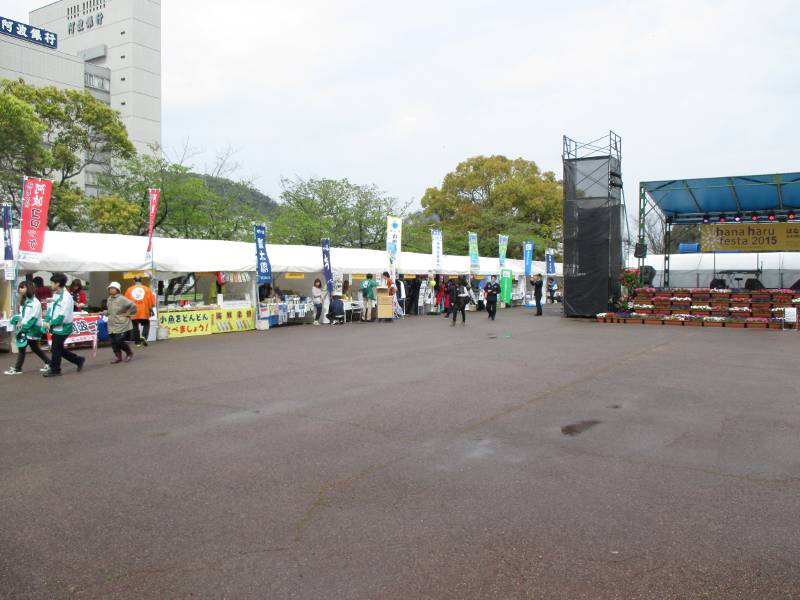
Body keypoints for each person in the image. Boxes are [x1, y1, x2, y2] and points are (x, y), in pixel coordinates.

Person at [42, 272, 85, 377]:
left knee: (55, 348)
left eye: (52, 283)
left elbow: (62, 316)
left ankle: (55, 369)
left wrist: (50, 323)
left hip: (64, 327)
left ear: (57, 283)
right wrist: (47, 320)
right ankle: (78, 360)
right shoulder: (56, 294)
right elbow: (50, 309)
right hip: (56, 326)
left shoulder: (66, 297)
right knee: (57, 348)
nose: (51, 285)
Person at [4, 281, 51, 375]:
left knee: (22, 348)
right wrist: (16, 318)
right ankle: (49, 363)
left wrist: (24, 328)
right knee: (35, 348)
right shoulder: (25, 301)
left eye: (22, 287)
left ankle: (17, 369)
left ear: (28, 288)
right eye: (19, 288)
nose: (20, 289)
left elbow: (33, 318)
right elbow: (23, 315)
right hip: (26, 327)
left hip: (32, 328)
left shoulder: (35, 302)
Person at [106, 281, 137, 364]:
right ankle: (118, 357)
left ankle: (129, 352)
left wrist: (128, 314)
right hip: (111, 323)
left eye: (113, 288)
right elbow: (110, 310)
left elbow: (133, 305)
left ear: (117, 290)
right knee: (113, 342)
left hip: (121, 323)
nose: (111, 290)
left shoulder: (122, 298)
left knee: (119, 340)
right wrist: (105, 312)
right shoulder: (109, 299)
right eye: (110, 288)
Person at [124, 277, 156, 347]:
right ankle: (144, 336)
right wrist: (150, 308)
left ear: (133, 281)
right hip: (144, 311)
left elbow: (125, 302)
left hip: (133, 311)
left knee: (135, 326)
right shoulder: (147, 289)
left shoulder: (129, 290)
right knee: (146, 324)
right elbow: (152, 303)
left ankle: (137, 342)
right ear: (142, 280)